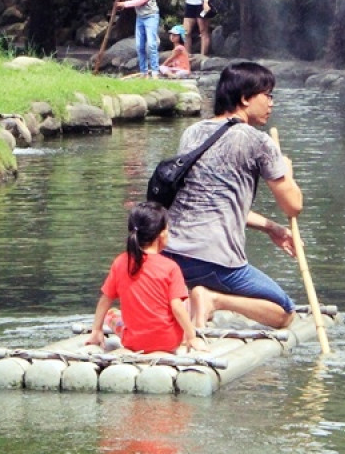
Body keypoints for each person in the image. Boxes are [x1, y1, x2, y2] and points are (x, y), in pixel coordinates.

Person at [163, 61, 302, 330]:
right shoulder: (258, 141)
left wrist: (270, 227)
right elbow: (294, 206)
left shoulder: (192, 133)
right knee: (284, 312)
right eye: (267, 95)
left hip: (170, 255)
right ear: (244, 98)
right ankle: (213, 299)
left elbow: (212, 202)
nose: (271, 103)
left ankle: (195, 295)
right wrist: (287, 171)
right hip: (214, 261)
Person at [86, 202, 202, 353]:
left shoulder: (121, 262)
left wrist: (97, 330)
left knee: (111, 314)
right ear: (162, 234)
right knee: (182, 294)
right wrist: (192, 337)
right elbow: (177, 307)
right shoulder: (170, 267)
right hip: (169, 341)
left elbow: (105, 299)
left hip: (133, 343)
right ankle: (186, 336)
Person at [118, 0, 160, 78]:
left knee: (152, 44)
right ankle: (143, 71)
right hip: (140, 17)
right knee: (139, 45)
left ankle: (155, 72)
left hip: (151, 16)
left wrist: (125, 4)